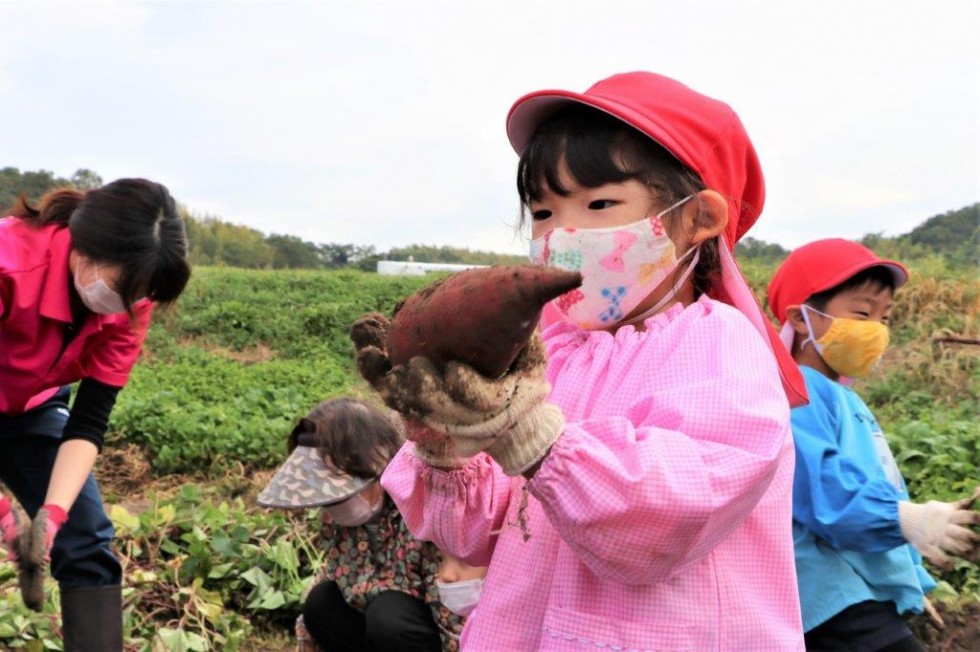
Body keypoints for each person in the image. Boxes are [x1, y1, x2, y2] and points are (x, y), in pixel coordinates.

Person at [353, 71, 810, 649]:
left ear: (699, 220)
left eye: (599, 203)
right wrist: (445, 448)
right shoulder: (553, 351)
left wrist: (537, 441)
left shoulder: (721, 345)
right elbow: (477, 534)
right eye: (543, 214)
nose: (563, 233)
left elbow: (669, 517)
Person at [0, 178, 191, 650]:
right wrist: (4, 516)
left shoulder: (130, 305)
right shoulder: (8, 265)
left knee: (86, 541)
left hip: (29, 408)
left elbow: (89, 419)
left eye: (142, 291)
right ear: (84, 249)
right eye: (126, 285)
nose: (130, 302)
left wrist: (54, 517)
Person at [767, 238, 980, 652]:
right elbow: (821, 488)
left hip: (857, 585)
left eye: (885, 317)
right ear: (800, 318)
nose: (877, 330)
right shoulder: (795, 394)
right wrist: (904, 520)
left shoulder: (841, 396)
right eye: (863, 313)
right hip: (828, 590)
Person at [257, 397, 465, 652]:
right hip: (374, 634)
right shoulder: (337, 524)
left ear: (376, 469)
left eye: (344, 493)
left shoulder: (423, 516)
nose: (337, 507)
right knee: (321, 602)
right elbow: (332, 573)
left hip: (417, 634)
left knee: (387, 615)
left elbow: (451, 613)